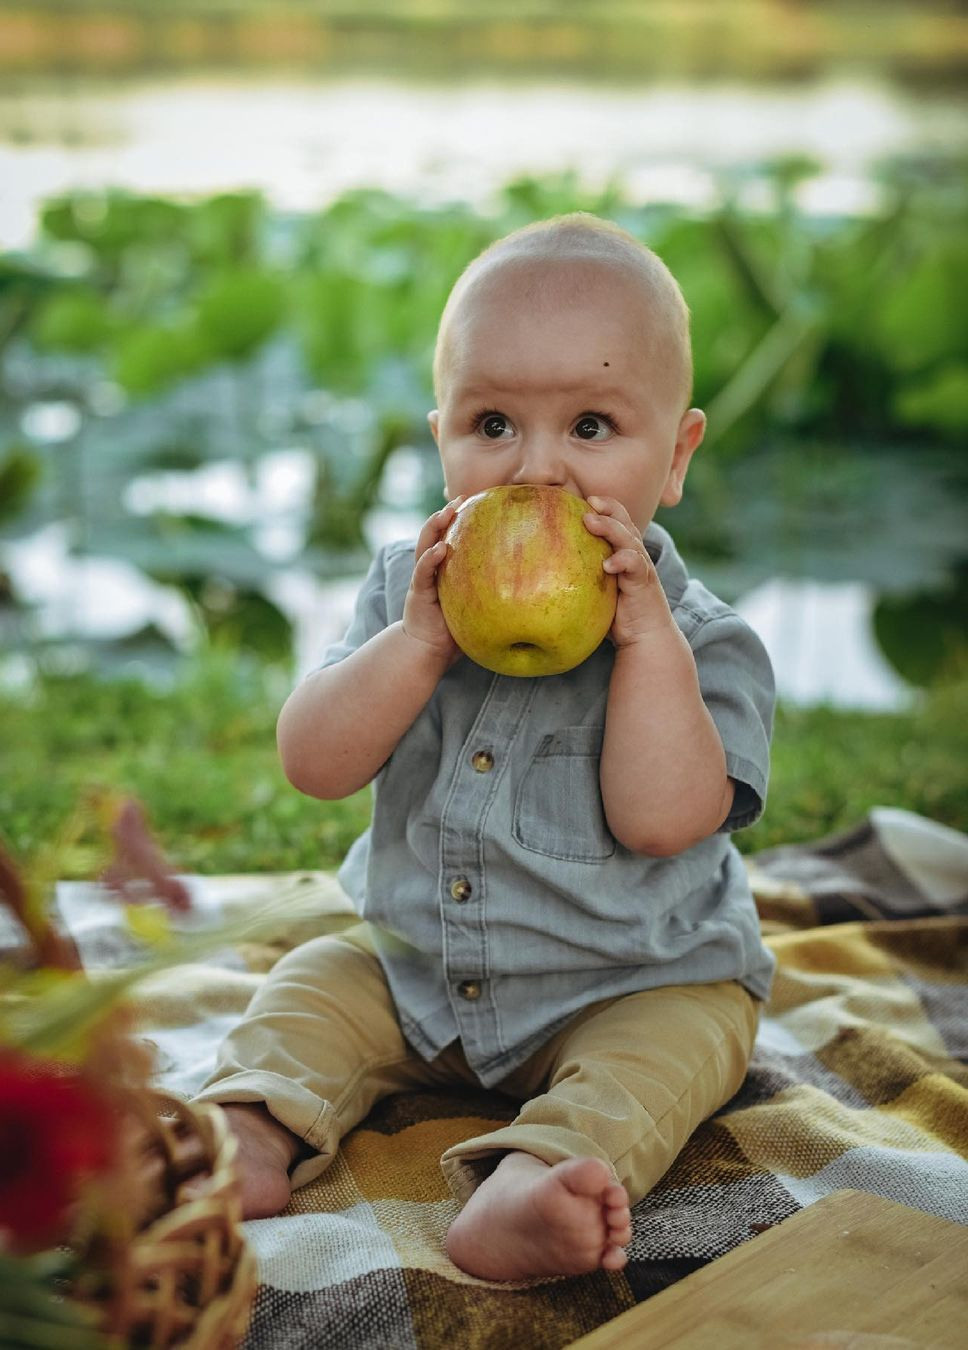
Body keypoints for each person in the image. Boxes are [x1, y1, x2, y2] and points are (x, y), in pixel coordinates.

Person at [193, 213, 776, 1282]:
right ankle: (248, 1130)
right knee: (315, 984)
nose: (538, 471)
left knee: (673, 1053)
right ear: (441, 437)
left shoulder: (702, 642)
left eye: (593, 426)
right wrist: (418, 640)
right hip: (419, 973)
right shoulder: (404, 590)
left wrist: (645, 647)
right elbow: (314, 765)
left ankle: (538, 1179)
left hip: (634, 981)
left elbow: (660, 820)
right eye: (494, 422)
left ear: (677, 454)